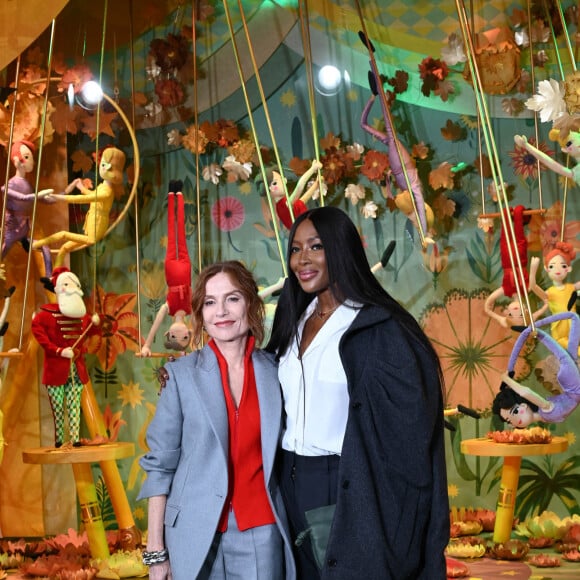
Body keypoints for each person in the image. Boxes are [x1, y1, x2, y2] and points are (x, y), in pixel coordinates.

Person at [266, 206, 449, 579]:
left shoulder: (381, 328)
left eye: (316, 247)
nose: (303, 259)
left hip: (345, 481)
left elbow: (412, 435)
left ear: (341, 250)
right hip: (288, 481)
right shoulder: (292, 319)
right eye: (296, 248)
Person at [138, 260, 296, 580]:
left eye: (232, 298)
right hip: (192, 533)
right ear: (201, 313)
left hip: (260, 531)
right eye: (210, 302)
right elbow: (160, 466)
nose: (220, 311)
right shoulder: (180, 377)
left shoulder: (277, 371)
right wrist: (156, 553)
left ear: (251, 303)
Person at [30, 267, 100, 447]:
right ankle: (60, 439)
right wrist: (59, 351)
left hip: (76, 369)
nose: (72, 289)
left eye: (74, 285)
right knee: (58, 407)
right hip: (55, 370)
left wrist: (97, 323)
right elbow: (40, 336)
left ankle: (75, 438)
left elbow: (91, 331)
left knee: (74, 405)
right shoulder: (45, 316)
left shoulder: (82, 315)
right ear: (59, 288)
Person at [32, 146, 125, 267]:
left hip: (95, 230)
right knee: (65, 247)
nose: (100, 167)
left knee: (63, 234)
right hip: (92, 224)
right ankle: (56, 275)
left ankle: (38, 244)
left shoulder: (106, 192)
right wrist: (81, 187)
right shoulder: (103, 187)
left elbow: (85, 199)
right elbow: (92, 195)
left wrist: (58, 197)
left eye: (103, 165)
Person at [492, 312, 580, 427]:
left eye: (515, 411)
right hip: (571, 390)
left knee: (565, 350)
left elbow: (525, 392)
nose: (513, 423)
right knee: (573, 329)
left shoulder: (546, 409)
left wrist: (539, 334)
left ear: (523, 405)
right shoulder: (544, 413)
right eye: (509, 421)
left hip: (573, 387)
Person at [141, 180, 192, 357]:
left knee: (172, 232)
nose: (178, 334)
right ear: (188, 334)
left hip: (171, 269)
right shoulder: (191, 308)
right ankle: (180, 195)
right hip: (185, 268)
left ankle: (172, 194)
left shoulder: (168, 308)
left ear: (168, 332)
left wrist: (147, 344)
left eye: (173, 336)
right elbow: (205, 322)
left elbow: (155, 325)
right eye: (183, 337)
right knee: (181, 234)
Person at [1, 139, 55, 278]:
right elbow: (25, 198)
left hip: (24, 232)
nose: (30, 161)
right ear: (16, 160)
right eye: (26, 157)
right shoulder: (11, 185)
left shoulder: (27, 185)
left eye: (29, 157)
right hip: (11, 232)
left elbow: (44, 200)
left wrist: (66, 192)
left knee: (45, 247)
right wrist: (38, 195)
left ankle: (49, 278)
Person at [528, 242, 580, 350]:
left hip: (574, 325)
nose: (557, 270)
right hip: (558, 329)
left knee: (573, 348)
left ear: (568, 269)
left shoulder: (571, 287)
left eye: (563, 266)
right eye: (552, 266)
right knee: (565, 346)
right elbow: (533, 286)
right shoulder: (549, 293)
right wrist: (533, 270)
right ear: (547, 269)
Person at [268, 160, 322, 230]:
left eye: (275, 183)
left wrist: (316, 184)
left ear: (284, 180)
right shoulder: (283, 206)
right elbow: (299, 187)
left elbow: (303, 200)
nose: (272, 188)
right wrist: (312, 169)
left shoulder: (288, 202)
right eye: (269, 188)